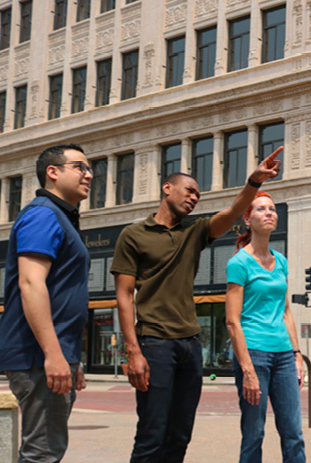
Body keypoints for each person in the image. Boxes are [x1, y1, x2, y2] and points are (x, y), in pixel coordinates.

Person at [110, 148, 281, 463]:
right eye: (189, 191)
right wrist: (132, 352)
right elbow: (123, 295)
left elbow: (232, 213)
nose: (193, 199)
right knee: (152, 431)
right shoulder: (133, 235)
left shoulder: (195, 230)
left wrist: (253, 183)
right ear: (167, 188)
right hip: (154, 341)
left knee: (180, 434)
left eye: (198, 196)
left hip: (190, 344)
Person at [0, 143, 93, 462]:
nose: (89, 174)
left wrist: (70, 358)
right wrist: (54, 355)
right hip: (37, 356)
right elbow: (31, 284)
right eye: (80, 167)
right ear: (53, 172)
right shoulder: (43, 215)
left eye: (90, 168)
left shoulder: (61, 217)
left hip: (50, 356)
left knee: (46, 450)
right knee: (42, 453)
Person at [225, 191, 305, 463]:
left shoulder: (280, 261)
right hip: (253, 354)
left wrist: (297, 355)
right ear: (247, 218)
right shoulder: (238, 263)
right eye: (261, 209)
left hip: (283, 355)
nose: (269, 213)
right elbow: (232, 321)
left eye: (272, 208)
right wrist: (247, 370)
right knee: (254, 433)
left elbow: (286, 312)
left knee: (293, 433)